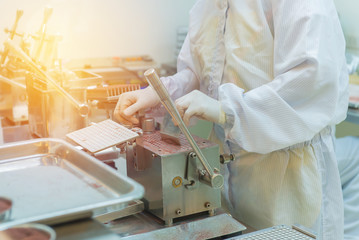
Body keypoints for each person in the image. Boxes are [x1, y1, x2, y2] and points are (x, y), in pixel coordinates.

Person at [114, 1, 348, 239]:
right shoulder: (210, 4)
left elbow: (309, 84)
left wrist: (226, 109)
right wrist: (161, 94)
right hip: (228, 169)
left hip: (286, 176)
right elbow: (201, 71)